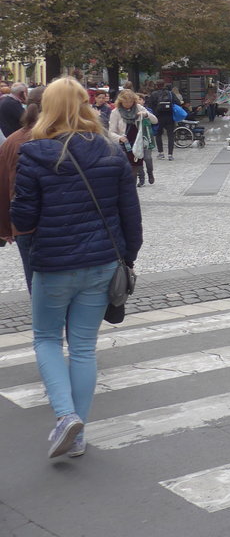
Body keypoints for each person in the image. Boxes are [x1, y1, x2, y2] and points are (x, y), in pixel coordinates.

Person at [10, 77, 142, 459]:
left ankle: (66, 416)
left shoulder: (35, 153)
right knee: (83, 347)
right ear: (87, 105)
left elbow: (23, 218)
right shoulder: (110, 151)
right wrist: (127, 258)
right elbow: (130, 216)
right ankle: (78, 436)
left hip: (53, 264)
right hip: (102, 263)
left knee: (47, 339)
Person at [0, 86, 44, 290]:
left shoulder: (11, 140)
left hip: (23, 225)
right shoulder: (56, 137)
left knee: (35, 285)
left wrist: (5, 227)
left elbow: (3, 185)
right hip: (55, 223)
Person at [107, 90, 157, 188]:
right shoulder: (116, 112)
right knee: (128, 167)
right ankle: (130, 187)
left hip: (139, 141)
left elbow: (155, 121)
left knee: (138, 164)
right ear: (121, 101)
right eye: (125, 102)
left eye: (130, 102)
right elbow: (111, 132)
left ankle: (135, 185)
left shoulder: (139, 108)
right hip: (125, 143)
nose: (128, 104)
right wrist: (119, 137)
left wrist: (146, 114)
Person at [147, 82, 182, 159]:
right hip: (169, 117)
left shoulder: (154, 94)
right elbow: (178, 103)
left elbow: (149, 105)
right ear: (164, 85)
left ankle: (161, 153)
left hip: (158, 117)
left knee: (158, 135)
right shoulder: (170, 93)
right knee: (170, 135)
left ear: (156, 86)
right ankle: (170, 155)